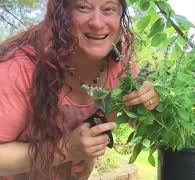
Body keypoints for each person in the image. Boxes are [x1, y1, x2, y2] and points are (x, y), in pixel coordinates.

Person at [0, 0, 160, 179]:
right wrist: (65, 149)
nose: (97, 23)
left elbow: (143, 124)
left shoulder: (121, 65)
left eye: (109, 9)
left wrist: (149, 102)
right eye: (83, 7)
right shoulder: (19, 68)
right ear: (61, 13)